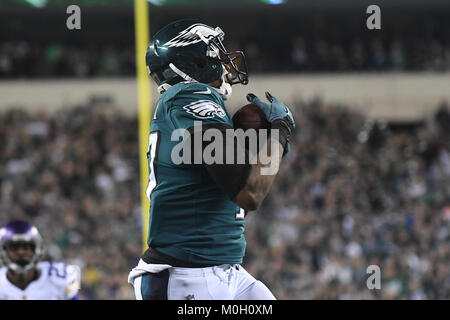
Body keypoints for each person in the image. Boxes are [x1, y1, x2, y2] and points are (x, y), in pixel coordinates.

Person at [128, 19, 295, 300]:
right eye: (214, 51)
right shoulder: (190, 99)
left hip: (223, 270)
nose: (223, 58)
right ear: (194, 62)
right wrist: (279, 131)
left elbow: (241, 167)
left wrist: (269, 140)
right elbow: (250, 192)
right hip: (186, 277)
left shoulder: (197, 105)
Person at [0, 220, 80, 300]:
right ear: (3, 251)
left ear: (36, 250)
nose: (21, 253)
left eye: (26, 248)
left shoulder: (58, 277)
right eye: (14, 247)